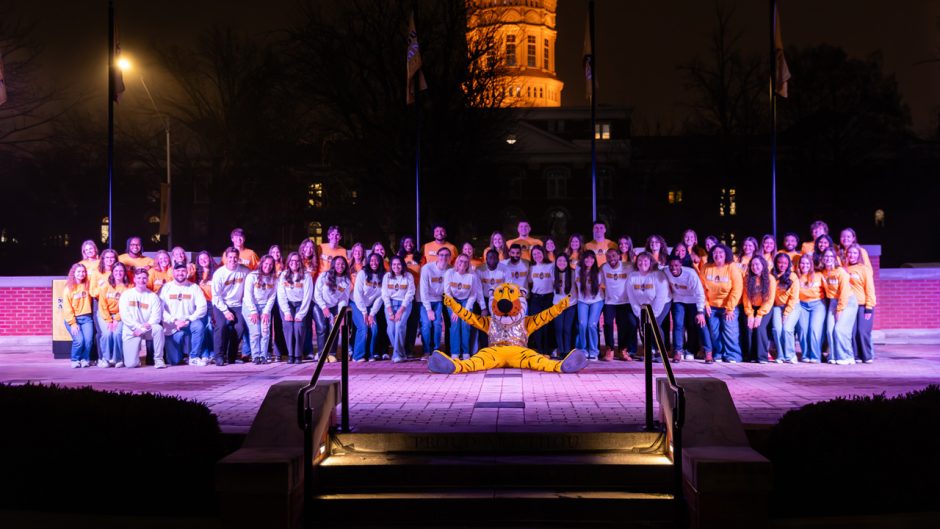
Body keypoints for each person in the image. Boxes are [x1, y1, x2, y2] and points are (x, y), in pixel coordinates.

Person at [701, 244, 743, 364]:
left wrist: (730, 308)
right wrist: (706, 304)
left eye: (721, 253)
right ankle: (718, 353)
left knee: (730, 332)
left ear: (726, 255)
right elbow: (701, 288)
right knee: (714, 333)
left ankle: (733, 355)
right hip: (712, 307)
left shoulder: (732, 267)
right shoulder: (706, 267)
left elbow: (737, 288)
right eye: (715, 253)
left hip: (729, 307)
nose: (718, 255)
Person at [161, 263, 208, 366]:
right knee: (174, 361)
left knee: (198, 326)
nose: (180, 273)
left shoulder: (194, 287)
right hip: (172, 326)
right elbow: (160, 309)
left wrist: (189, 319)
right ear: (173, 272)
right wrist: (174, 320)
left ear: (187, 273)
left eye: (183, 271)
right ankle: (180, 353)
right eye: (177, 271)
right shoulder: (166, 288)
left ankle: (194, 357)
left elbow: (202, 307)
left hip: (188, 323)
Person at [627, 252, 671, 362]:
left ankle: (661, 352)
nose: (643, 263)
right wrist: (639, 312)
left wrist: (653, 314)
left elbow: (661, 297)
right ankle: (649, 351)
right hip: (643, 306)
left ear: (651, 262)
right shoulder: (632, 277)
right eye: (640, 261)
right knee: (643, 326)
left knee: (653, 324)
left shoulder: (658, 275)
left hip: (662, 303)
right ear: (636, 263)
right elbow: (631, 297)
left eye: (646, 260)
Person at [119, 267, 166, 368]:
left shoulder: (153, 296)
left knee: (158, 328)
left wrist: (143, 328)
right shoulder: (126, 295)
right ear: (134, 279)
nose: (141, 280)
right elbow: (125, 316)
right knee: (131, 364)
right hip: (132, 330)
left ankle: (158, 359)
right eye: (139, 278)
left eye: (144, 278)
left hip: (147, 328)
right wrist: (139, 327)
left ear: (147, 280)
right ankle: (136, 359)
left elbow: (156, 317)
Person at [211, 247, 250, 366]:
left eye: (235, 257)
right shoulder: (219, 273)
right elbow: (216, 295)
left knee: (240, 326)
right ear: (225, 258)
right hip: (221, 304)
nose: (233, 260)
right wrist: (225, 311)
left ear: (238, 258)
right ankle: (218, 356)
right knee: (221, 326)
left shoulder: (245, 271)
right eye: (230, 257)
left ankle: (231, 356)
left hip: (237, 304)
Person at [665, 255, 708, 362]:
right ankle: (678, 351)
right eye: (671, 266)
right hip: (679, 300)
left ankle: (708, 351)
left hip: (693, 300)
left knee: (700, 323)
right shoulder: (665, 271)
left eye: (676, 265)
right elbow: (656, 269)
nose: (673, 268)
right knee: (678, 325)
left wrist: (700, 311)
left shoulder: (690, 274)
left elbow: (700, 293)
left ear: (681, 265)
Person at [820, 248, 858, 365]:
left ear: (835, 258)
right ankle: (833, 355)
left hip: (847, 302)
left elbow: (844, 292)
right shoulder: (823, 273)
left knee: (840, 330)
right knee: (830, 330)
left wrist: (840, 310)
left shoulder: (840, 271)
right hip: (833, 302)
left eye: (831, 256)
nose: (828, 259)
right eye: (826, 256)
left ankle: (846, 356)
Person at [277, 252, 314, 364]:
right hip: (287, 304)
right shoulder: (283, 275)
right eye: (292, 261)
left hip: (301, 304)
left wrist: (301, 314)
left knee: (299, 326)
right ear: (288, 262)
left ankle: (298, 355)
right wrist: (287, 312)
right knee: (288, 326)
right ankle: (290, 354)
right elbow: (281, 295)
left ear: (300, 263)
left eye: (297, 261)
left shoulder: (306, 276)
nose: (294, 263)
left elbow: (308, 296)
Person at [314, 255, 352, 360]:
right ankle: (322, 354)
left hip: (334, 306)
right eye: (338, 263)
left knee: (334, 329)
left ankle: (332, 354)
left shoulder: (346, 281)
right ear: (333, 265)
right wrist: (324, 307)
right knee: (322, 328)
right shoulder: (324, 276)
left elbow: (344, 299)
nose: (341, 266)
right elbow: (317, 293)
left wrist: (340, 315)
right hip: (319, 304)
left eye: (343, 264)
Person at [242, 255, 278, 364]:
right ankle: (255, 355)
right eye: (266, 264)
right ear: (261, 263)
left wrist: (267, 311)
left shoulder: (273, 278)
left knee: (265, 332)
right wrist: (253, 311)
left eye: (271, 264)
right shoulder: (252, 276)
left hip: (265, 306)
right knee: (256, 332)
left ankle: (263, 355)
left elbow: (272, 296)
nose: (268, 266)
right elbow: (248, 295)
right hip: (250, 306)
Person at [444, 254, 480, 360]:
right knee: (455, 324)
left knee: (465, 324)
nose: (463, 264)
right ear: (456, 262)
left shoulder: (472, 276)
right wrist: (455, 309)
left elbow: (473, 294)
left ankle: (466, 352)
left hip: (466, 301)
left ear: (468, 264)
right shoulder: (449, 273)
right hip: (452, 300)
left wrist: (465, 309)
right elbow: (447, 292)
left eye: (465, 262)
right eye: (460, 261)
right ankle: (455, 352)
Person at [351, 252, 386, 362]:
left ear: (380, 262)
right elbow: (357, 294)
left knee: (374, 328)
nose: (374, 263)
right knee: (363, 327)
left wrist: (371, 314)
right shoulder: (362, 273)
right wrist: (364, 312)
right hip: (356, 303)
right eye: (371, 261)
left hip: (371, 307)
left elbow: (380, 297)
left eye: (376, 260)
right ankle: (358, 356)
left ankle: (370, 354)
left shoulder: (384, 276)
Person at [845, 244, 876, 363]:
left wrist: (869, 307)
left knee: (862, 331)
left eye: (854, 253)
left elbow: (870, 289)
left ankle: (867, 356)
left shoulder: (864, 269)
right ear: (846, 254)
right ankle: (856, 355)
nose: (852, 255)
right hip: (849, 305)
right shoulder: (844, 268)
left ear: (858, 255)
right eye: (850, 253)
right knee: (852, 332)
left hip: (863, 305)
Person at [600, 247, 633, 361]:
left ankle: (622, 350)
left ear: (619, 256)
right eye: (608, 256)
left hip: (624, 301)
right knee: (608, 323)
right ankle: (610, 349)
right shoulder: (604, 267)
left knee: (623, 326)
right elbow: (601, 281)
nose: (611, 258)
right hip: (610, 301)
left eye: (613, 256)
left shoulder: (627, 267)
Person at [382, 256, 416, 362]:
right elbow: (384, 294)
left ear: (403, 265)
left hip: (404, 304)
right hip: (390, 304)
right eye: (394, 264)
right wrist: (390, 312)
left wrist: (401, 311)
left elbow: (410, 293)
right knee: (390, 330)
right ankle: (401, 353)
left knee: (400, 326)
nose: (396, 266)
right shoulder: (387, 276)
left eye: (399, 264)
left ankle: (397, 355)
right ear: (391, 266)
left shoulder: (408, 276)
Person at [742, 256, 775, 364]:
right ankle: (751, 356)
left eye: (757, 264)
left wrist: (759, 315)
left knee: (760, 327)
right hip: (751, 308)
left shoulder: (770, 279)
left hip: (765, 308)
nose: (755, 267)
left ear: (763, 266)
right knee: (749, 327)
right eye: (752, 265)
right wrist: (750, 314)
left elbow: (769, 300)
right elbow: (746, 298)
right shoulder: (747, 279)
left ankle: (762, 357)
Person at [419, 247, 451, 356]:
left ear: (450, 257)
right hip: (425, 300)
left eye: (447, 255)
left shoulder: (450, 269)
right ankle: (427, 350)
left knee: (437, 324)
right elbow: (423, 290)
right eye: (441, 255)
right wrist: (428, 309)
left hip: (438, 300)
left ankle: (436, 350)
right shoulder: (427, 268)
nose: (444, 257)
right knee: (426, 324)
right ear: (437, 256)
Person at [97, 262, 129, 368]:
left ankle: (118, 358)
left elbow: (127, 306)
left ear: (124, 273)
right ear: (112, 272)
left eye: (121, 271)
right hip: (105, 314)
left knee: (117, 334)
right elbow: (102, 305)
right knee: (107, 334)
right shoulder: (106, 286)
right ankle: (105, 359)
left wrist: (117, 318)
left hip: (120, 315)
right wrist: (108, 320)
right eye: (116, 271)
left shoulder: (128, 287)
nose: (118, 273)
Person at [795, 253, 826, 363]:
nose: (805, 265)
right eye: (802, 263)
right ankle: (805, 354)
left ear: (811, 264)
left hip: (817, 304)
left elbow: (829, 291)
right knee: (803, 330)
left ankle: (815, 355)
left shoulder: (819, 275)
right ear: (799, 264)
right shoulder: (795, 276)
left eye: (807, 263)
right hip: (802, 304)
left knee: (814, 329)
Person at [770, 253, 801, 364]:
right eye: (780, 263)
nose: (782, 265)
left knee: (787, 328)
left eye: (785, 263)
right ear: (776, 263)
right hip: (777, 306)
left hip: (792, 307)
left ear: (788, 264)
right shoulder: (772, 275)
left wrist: (786, 313)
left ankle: (790, 355)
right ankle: (780, 355)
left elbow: (794, 298)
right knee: (777, 329)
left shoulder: (793, 276)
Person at [63, 263, 94, 368]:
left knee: (88, 341)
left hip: (87, 318)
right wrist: (73, 323)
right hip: (73, 319)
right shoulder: (68, 288)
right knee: (79, 341)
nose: (81, 274)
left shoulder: (88, 285)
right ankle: (75, 359)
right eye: (79, 272)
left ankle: (85, 359)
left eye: (83, 271)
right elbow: (67, 308)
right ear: (74, 273)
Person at [299, 238, 326, 360]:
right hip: (302, 299)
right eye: (306, 247)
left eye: (311, 248)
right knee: (305, 326)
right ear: (302, 248)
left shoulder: (317, 263)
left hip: (314, 299)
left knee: (321, 325)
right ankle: (307, 351)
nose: (308, 250)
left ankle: (321, 353)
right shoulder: (297, 261)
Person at [526, 245, 554, 355]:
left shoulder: (551, 266)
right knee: (537, 324)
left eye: (539, 253)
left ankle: (547, 350)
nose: (537, 256)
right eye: (534, 254)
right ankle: (539, 349)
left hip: (548, 298)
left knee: (547, 325)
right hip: (536, 298)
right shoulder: (531, 268)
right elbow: (529, 282)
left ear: (543, 253)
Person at [576, 250, 604, 359]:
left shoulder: (598, 272)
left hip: (596, 301)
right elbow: (574, 286)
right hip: (582, 301)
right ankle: (583, 349)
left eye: (592, 258)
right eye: (586, 258)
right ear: (583, 259)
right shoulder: (578, 271)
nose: (589, 260)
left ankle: (594, 351)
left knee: (592, 324)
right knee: (582, 324)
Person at [552, 254, 578, 359]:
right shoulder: (553, 273)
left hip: (571, 304)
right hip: (557, 305)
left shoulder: (573, 273)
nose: (561, 263)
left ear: (567, 263)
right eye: (559, 261)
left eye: (564, 261)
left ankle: (567, 351)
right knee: (559, 328)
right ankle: (560, 350)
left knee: (567, 328)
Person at [193, 251, 217, 363]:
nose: (203, 260)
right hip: (200, 305)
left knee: (211, 328)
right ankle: (205, 353)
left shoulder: (216, 272)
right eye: (200, 259)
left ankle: (212, 353)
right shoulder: (195, 273)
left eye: (205, 258)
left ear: (210, 259)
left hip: (213, 303)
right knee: (204, 328)